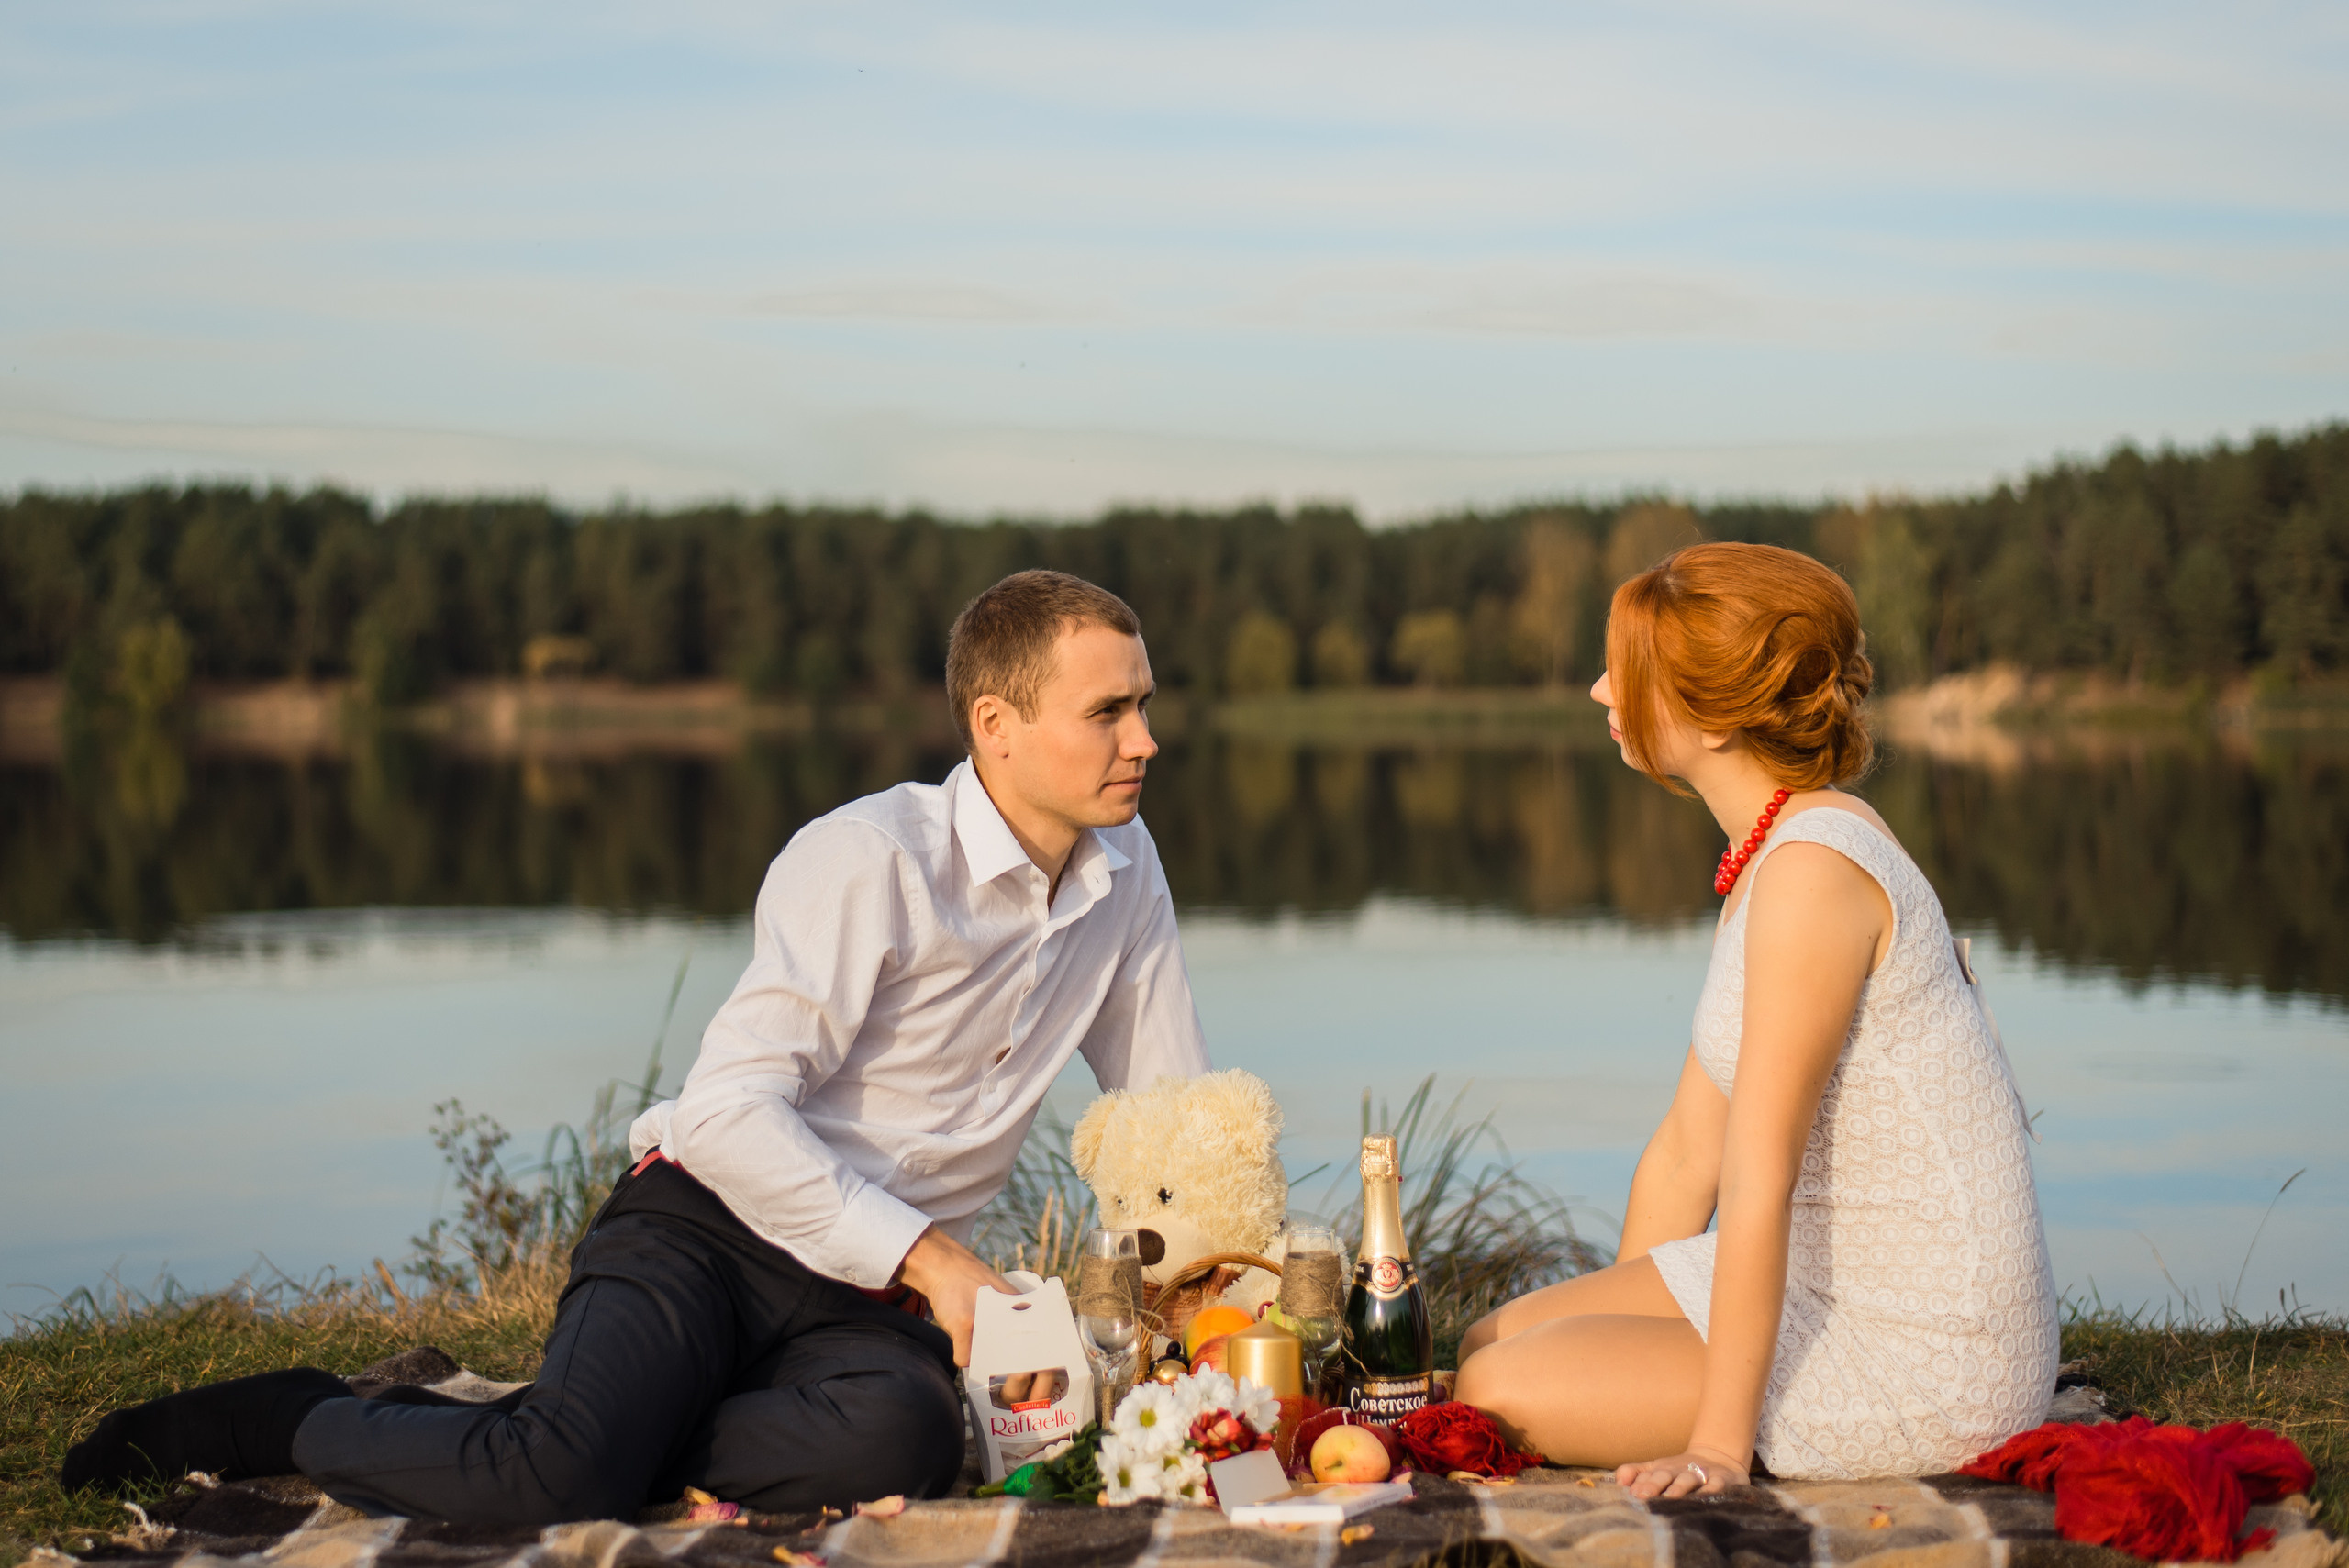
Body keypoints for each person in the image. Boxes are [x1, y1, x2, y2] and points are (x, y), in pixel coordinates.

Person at [63, 570, 1210, 1522]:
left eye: (1143, 702)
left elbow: (1165, 1111)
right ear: (995, 727)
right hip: (707, 1228)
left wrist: (1206, 1306)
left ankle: (598, 1425)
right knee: (560, 1477)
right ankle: (289, 1417)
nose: (1145, 738)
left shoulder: (1128, 872)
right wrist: (931, 1258)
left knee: (910, 1440)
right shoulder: (868, 859)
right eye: (1107, 710)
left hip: (866, 1309)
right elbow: (721, 1114)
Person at [1454, 542, 2056, 1495]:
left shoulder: (1812, 875)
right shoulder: (1772, 848)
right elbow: (1690, 1149)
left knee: (1492, 1386)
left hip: (1926, 1354)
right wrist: (1607, 1347)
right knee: (1492, 1338)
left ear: (1711, 712)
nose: (1597, 689)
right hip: (1830, 1280)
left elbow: (1757, 1169)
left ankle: (1728, 1417)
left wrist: (1715, 1443)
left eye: (1627, 669)